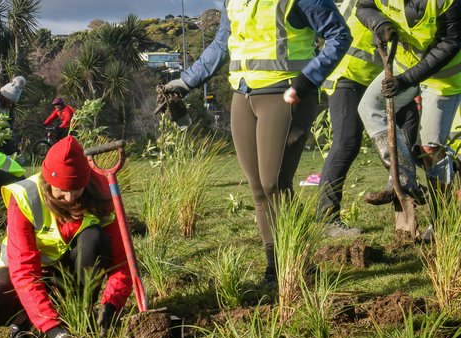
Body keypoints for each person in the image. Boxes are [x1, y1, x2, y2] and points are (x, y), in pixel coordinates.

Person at [163, 0, 351, 285]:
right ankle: (275, 269)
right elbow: (221, 43)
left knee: (274, 183)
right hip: (244, 95)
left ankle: (300, 261)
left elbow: (339, 34)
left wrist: (309, 79)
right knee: (259, 189)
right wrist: (186, 82)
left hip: (287, 92)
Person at [0, 136, 132, 338]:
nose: (69, 197)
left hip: (68, 273)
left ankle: (81, 311)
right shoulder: (25, 198)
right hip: (24, 272)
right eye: (61, 190)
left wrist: (111, 306)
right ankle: (22, 321)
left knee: (95, 238)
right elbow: (24, 272)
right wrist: (52, 329)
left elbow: (123, 261)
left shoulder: (102, 192)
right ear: (48, 182)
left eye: (77, 189)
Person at [318, 0, 421, 237]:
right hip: (347, 75)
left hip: (381, 79)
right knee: (346, 142)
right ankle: (326, 218)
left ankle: (399, 183)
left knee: (410, 126)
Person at [356, 0, 461, 223]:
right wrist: (379, 22)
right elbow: (363, 6)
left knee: (430, 149)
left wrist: (407, 80)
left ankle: (442, 222)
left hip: (444, 78)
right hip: (404, 65)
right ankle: (403, 178)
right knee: (370, 107)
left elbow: (451, 42)